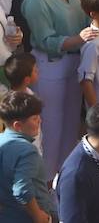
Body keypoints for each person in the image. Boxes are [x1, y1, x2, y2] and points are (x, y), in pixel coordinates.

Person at [21, 0, 93, 180]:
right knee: (50, 132)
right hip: (50, 68)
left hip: (74, 64)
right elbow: (46, 41)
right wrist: (80, 38)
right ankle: (49, 194)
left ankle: (65, 187)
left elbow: (83, 17)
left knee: (71, 128)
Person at [0, 92, 54, 223]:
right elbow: (22, 189)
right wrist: (38, 215)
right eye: (35, 119)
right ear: (18, 125)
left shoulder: (1, 140)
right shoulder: (27, 151)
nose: (40, 121)